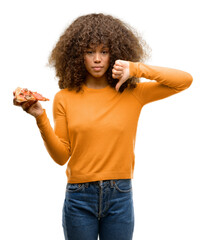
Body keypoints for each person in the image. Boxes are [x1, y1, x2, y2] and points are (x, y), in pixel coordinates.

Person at [13, 13, 193, 240]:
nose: (97, 59)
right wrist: (40, 117)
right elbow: (61, 157)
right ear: (78, 55)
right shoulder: (64, 98)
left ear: (115, 54)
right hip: (79, 197)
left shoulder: (132, 93)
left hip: (120, 194)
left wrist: (136, 69)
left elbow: (184, 80)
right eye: (90, 52)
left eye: (104, 51)